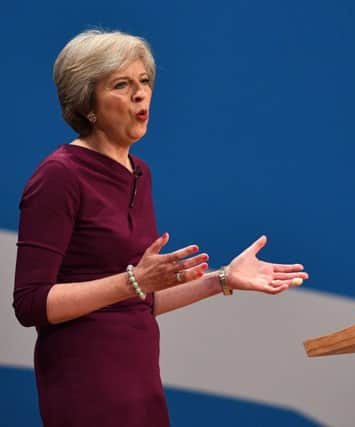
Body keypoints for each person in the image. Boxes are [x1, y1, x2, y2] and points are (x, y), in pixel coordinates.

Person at [12, 29, 309, 427]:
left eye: (145, 81)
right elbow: (30, 304)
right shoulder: (59, 176)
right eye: (122, 85)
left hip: (139, 382)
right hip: (85, 383)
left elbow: (139, 299)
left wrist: (222, 279)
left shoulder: (139, 173)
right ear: (88, 104)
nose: (141, 94)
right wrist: (133, 281)